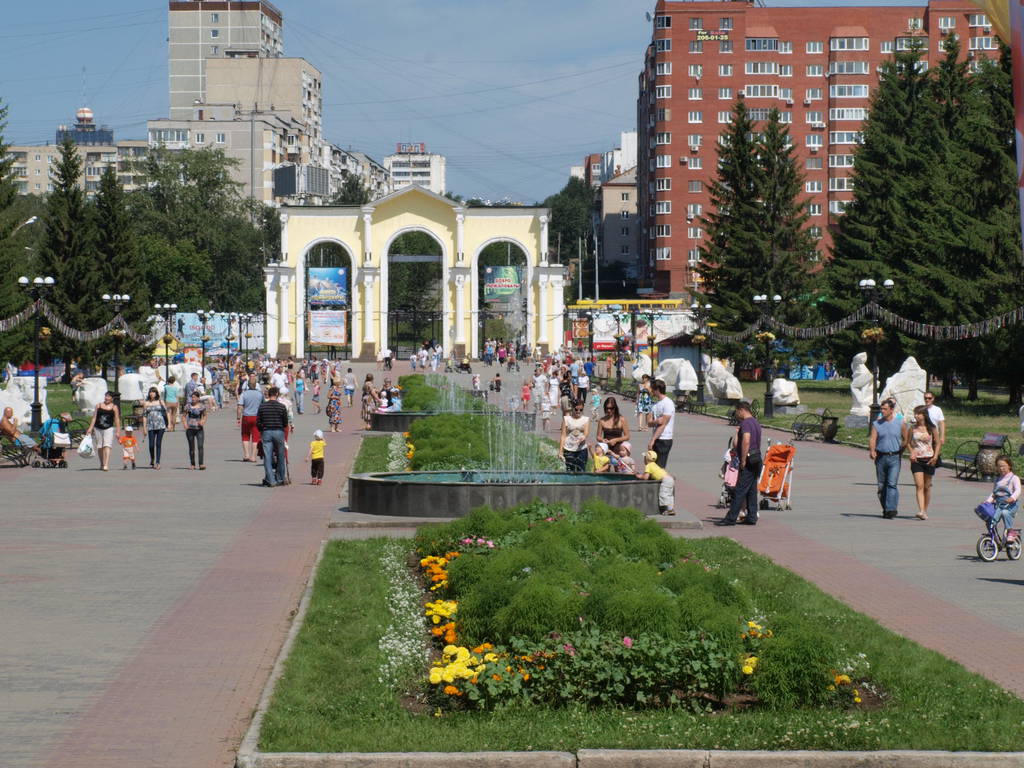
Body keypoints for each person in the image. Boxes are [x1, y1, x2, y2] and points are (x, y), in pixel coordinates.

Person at [718, 401, 763, 526]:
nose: (736, 414)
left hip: (748, 460)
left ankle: (730, 518)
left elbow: (746, 441)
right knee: (751, 490)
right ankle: (752, 516)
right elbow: (737, 444)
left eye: (737, 411)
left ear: (741, 410)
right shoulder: (755, 422)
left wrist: (743, 460)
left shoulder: (746, 423)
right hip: (756, 459)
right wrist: (737, 433)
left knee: (739, 490)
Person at [869, 398, 906, 519]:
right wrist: (872, 451)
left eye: (885, 409)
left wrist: (901, 451)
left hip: (894, 457)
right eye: (881, 409)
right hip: (880, 457)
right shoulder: (877, 424)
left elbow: (905, 439)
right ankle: (886, 508)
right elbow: (873, 439)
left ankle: (891, 509)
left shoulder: (900, 423)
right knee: (881, 485)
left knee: (892, 484)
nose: (882, 411)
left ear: (891, 410)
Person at [908, 404, 939, 520]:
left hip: (929, 459)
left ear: (924, 415)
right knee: (919, 485)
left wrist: (935, 456)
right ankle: (921, 510)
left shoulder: (932, 428)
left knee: (927, 486)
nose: (916, 416)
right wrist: (911, 452)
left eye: (918, 413)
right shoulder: (912, 428)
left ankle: (925, 510)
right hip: (916, 460)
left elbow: (938, 442)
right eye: (915, 413)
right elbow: (907, 442)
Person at [256, 386, 289, 487]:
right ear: (277, 394)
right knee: (280, 455)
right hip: (279, 432)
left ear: (269, 395)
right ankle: (280, 478)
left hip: (267, 432)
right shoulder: (281, 407)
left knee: (267, 457)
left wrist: (262, 429)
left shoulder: (262, 406)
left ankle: (271, 480)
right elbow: (285, 422)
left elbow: (258, 422)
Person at [87, 391, 121, 471]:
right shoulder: (98, 405)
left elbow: (117, 419)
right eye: (106, 396)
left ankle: (106, 464)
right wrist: (90, 428)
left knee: (107, 445)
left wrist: (118, 431)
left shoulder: (114, 407)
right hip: (98, 428)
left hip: (108, 428)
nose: (107, 398)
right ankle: (102, 463)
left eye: (109, 397)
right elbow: (94, 418)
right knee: (99, 447)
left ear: (112, 399)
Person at [985, 455, 1020, 530]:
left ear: (1009, 466)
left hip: (1011, 505)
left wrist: (1012, 498)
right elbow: (994, 493)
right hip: (999, 505)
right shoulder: (997, 479)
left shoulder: (1014, 478)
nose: (1001, 468)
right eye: (999, 466)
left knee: (1005, 513)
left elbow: (1018, 490)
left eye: (1003, 466)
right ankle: (992, 538)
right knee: (990, 518)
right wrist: (987, 502)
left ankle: (1010, 532)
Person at [636, 449, 675, 516]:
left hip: (665, 480)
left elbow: (645, 477)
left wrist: (638, 476)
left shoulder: (648, 466)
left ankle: (668, 510)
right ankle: (671, 509)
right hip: (670, 479)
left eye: (644, 458)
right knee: (669, 495)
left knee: (664, 494)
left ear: (646, 459)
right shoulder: (654, 464)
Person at [647, 379, 675, 468]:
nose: (651, 391)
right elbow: (649, 423)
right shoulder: (655, 404)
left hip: (664, 439)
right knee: (652, 466)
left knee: (659, 467)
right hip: (656, 438)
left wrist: (652, 440)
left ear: (657, 389)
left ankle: (662, 481)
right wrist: (656, 421)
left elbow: (663, 424)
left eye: (652, 389)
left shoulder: (668, 403)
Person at [236, 374, 263, 463]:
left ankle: (246, 454)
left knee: (245, 435)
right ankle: (253, 456)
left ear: (247, 385)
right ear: (256, 385)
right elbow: (263, 406)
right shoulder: (260, 394)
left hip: (246, 416)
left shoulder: (244, 394)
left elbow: (240, 407)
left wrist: (238, 418)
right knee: (256, 437)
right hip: (256, 416)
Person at [141, 387, 169, 469]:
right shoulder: (146, 403)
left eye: (153, 392)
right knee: (151, 445)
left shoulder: (160, 401)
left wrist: (169, 423)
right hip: (151, 426)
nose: (151, 393)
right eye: (150, 392)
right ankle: (152, 458)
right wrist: (144, 428)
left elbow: (166, 411)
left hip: (160, 425)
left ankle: (158, 462)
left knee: (158, 444)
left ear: (156, 393)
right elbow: (144, 416)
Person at [559, 400, 590, 473]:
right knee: (570, 471)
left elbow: (586, 432)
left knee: (581, 471)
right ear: (572, 408)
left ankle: (581, 484)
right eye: (576, 409)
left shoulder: (585, 419)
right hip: (569, 449)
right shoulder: (566, 419)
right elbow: (563, 435)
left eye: (581, 410)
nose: (578, 411)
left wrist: (584, 437)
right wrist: (560, 451)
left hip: (581, 449)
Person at [181, 390, 208, 470]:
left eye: (194, 397)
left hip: (199, 428)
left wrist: (203, 421)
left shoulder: (202, 406)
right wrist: (185, 424)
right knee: (191, 447)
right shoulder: (188, 406)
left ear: (198, 398)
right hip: (190, 429)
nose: (193, 399)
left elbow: (205, 415)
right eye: (192, 397)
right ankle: (192, 464)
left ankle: (201, 464)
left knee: (200, 446)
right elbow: (183, 416)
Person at [923, 391, 945, 465]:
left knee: (933, 455)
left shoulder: (937, 409)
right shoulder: (921, 409)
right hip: (923, 436)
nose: (927, 400)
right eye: (925, 398)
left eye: (929, 398)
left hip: (934, 436)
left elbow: (941, 423)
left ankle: (932, 467)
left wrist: (942, 436)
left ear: (933, 399)